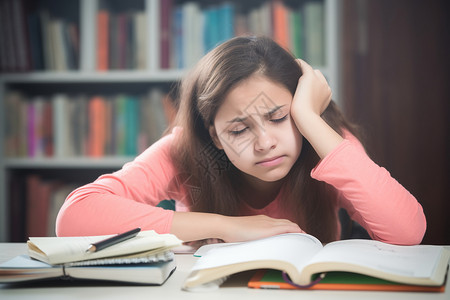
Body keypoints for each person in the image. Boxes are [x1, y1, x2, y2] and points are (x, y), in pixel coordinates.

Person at [56, 36, 426, 245]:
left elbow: (408, 231)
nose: (264, 142)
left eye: (279, 117)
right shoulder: (185, 151)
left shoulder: (325, 142)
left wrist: (311, 121)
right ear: (214, 136)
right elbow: (75, 215)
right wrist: (225, 226)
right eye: (238, 130)